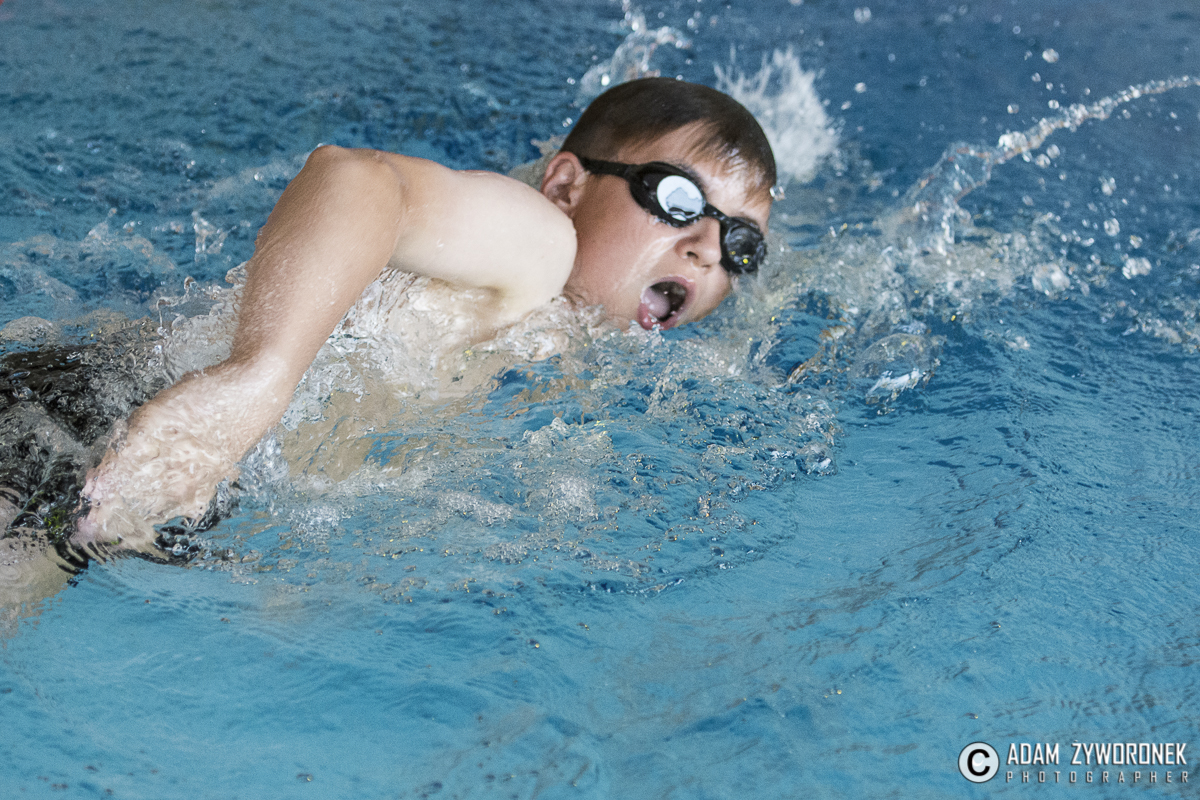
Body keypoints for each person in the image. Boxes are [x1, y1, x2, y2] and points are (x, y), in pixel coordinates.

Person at [25, 77, 778, 558]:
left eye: (742, 243)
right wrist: (256, 379)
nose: (707, 247)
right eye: (677, 199)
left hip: (180, 465)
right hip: (112, 415)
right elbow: (353, 178)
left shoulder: (572, 345)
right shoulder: (540, 244)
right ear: (565, 185)